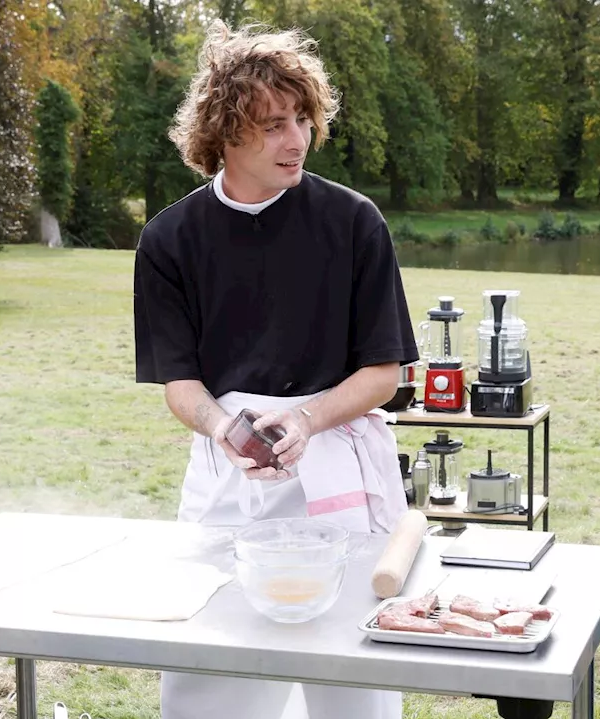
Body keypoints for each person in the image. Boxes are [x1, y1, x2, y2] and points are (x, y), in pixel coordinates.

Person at [133, 21, 418, 719]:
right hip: (226, 480)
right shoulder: (170, 238)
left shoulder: (354, 222)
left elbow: (384, 372)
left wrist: (306, 419)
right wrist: (227, 426)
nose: (295, 140)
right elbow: (180, 383)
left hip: (342, 470)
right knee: (209, 677)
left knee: (353, 686)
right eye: (270, 125)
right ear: (222, 133)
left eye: (300, 119)